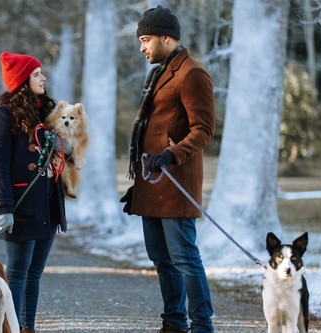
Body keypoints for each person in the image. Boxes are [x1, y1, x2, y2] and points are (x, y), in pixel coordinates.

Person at [121, 6, 216, 333]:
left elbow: (203, 130)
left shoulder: (192, 74)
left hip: (175, 182)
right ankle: (174, 323)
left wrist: (171, 155)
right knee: (162, 260)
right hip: (152, 183)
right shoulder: (159, 73)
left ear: (166, 37)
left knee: (185, 259)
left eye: (146, 39)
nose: (142, 47)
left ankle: (202, 326)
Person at [0, 51, 67, 333]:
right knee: (18, 273)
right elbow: (0, 164)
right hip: (20, 203)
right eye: (36, 74)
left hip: (47, 203)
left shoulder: (45, 110)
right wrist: (3, 208)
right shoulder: (3, 112)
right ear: (22, 80)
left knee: (35, 272)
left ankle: (28, 327)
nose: (43, 78)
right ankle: (13, 327)